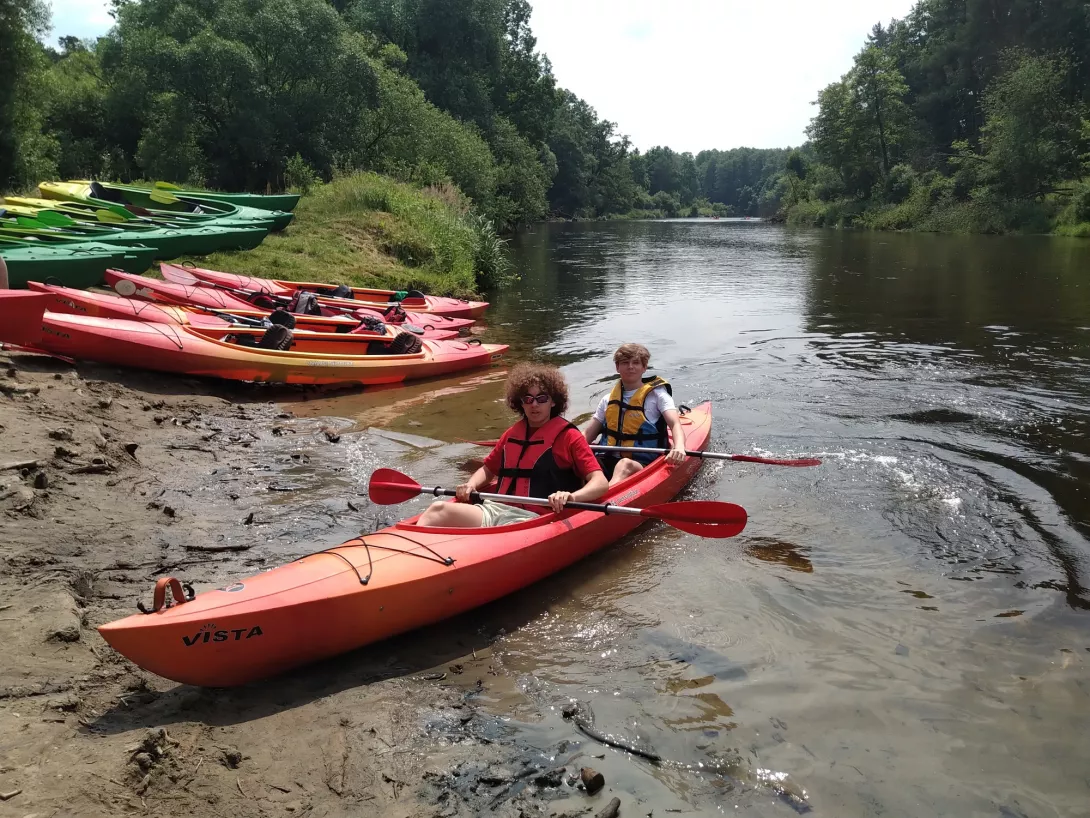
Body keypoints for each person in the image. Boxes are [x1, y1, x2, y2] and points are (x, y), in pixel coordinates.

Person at [416, 363, 608, 528]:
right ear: (520, 403)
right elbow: (488, 469)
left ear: (553, 402)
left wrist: (571, 497)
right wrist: (471, 484)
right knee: (437, 509)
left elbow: (600, 483)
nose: (534, 405)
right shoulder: (512, 434)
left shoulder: (569, 437)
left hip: (538, 518)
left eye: (542, 398)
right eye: (528, 399)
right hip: (495, 510)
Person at [582, 343, 687, 486]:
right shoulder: (607, 400)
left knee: (624, 465)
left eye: (636, 363)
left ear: (644, 367)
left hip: (641, 464)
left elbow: (675, 425)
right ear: (617, 367)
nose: (630, 366)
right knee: (578, 463)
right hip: (607, 459)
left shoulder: (658, 396)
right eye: (625, 363)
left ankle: (605, 498)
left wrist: (679, 446)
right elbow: (588, 434)